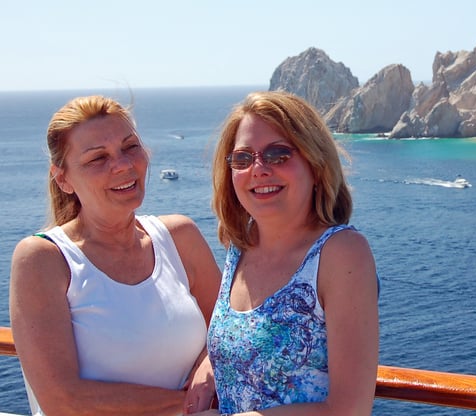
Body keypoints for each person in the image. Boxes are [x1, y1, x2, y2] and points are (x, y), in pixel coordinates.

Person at [9, 95, 222, 415]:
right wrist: (190, 404)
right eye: (98, 158)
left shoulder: (180, 237)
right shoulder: (43, 259)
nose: (123, 164)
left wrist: (210, 366)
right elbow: (63, 401)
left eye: (130, 147)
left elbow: (228, 333)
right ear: (63, 178)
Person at [186, 91, 379, 415]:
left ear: (315, 165)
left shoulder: (342, 253)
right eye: (243, 159)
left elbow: (349, 409)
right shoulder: (241, 248)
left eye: (278, 155)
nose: (259, 169)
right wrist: (210, 363)